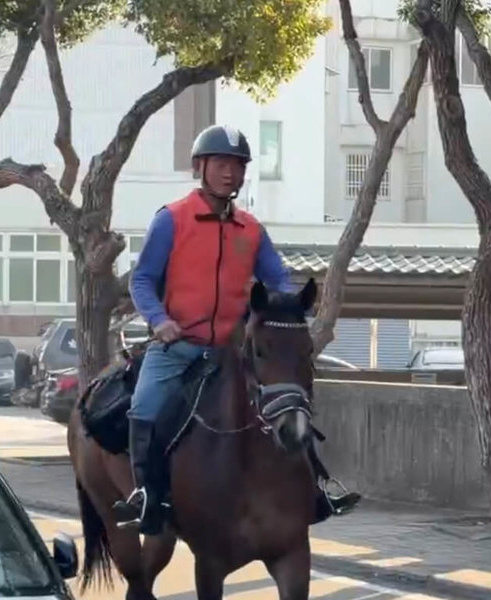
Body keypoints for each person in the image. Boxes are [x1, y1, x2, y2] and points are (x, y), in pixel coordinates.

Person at [112, 124, 361, 535]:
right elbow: (142, 281)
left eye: (238, 165)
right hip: (179, 346)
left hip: (234, 350)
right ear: (200, 167)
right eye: (221, 164)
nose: (230, 173)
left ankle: (318, 487)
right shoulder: (170, 220)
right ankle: (147, 497)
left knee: (289, 401)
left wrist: (287, 308)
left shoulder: (251, 230)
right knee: (145, 407)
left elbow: (278, 278)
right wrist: (159, 321)